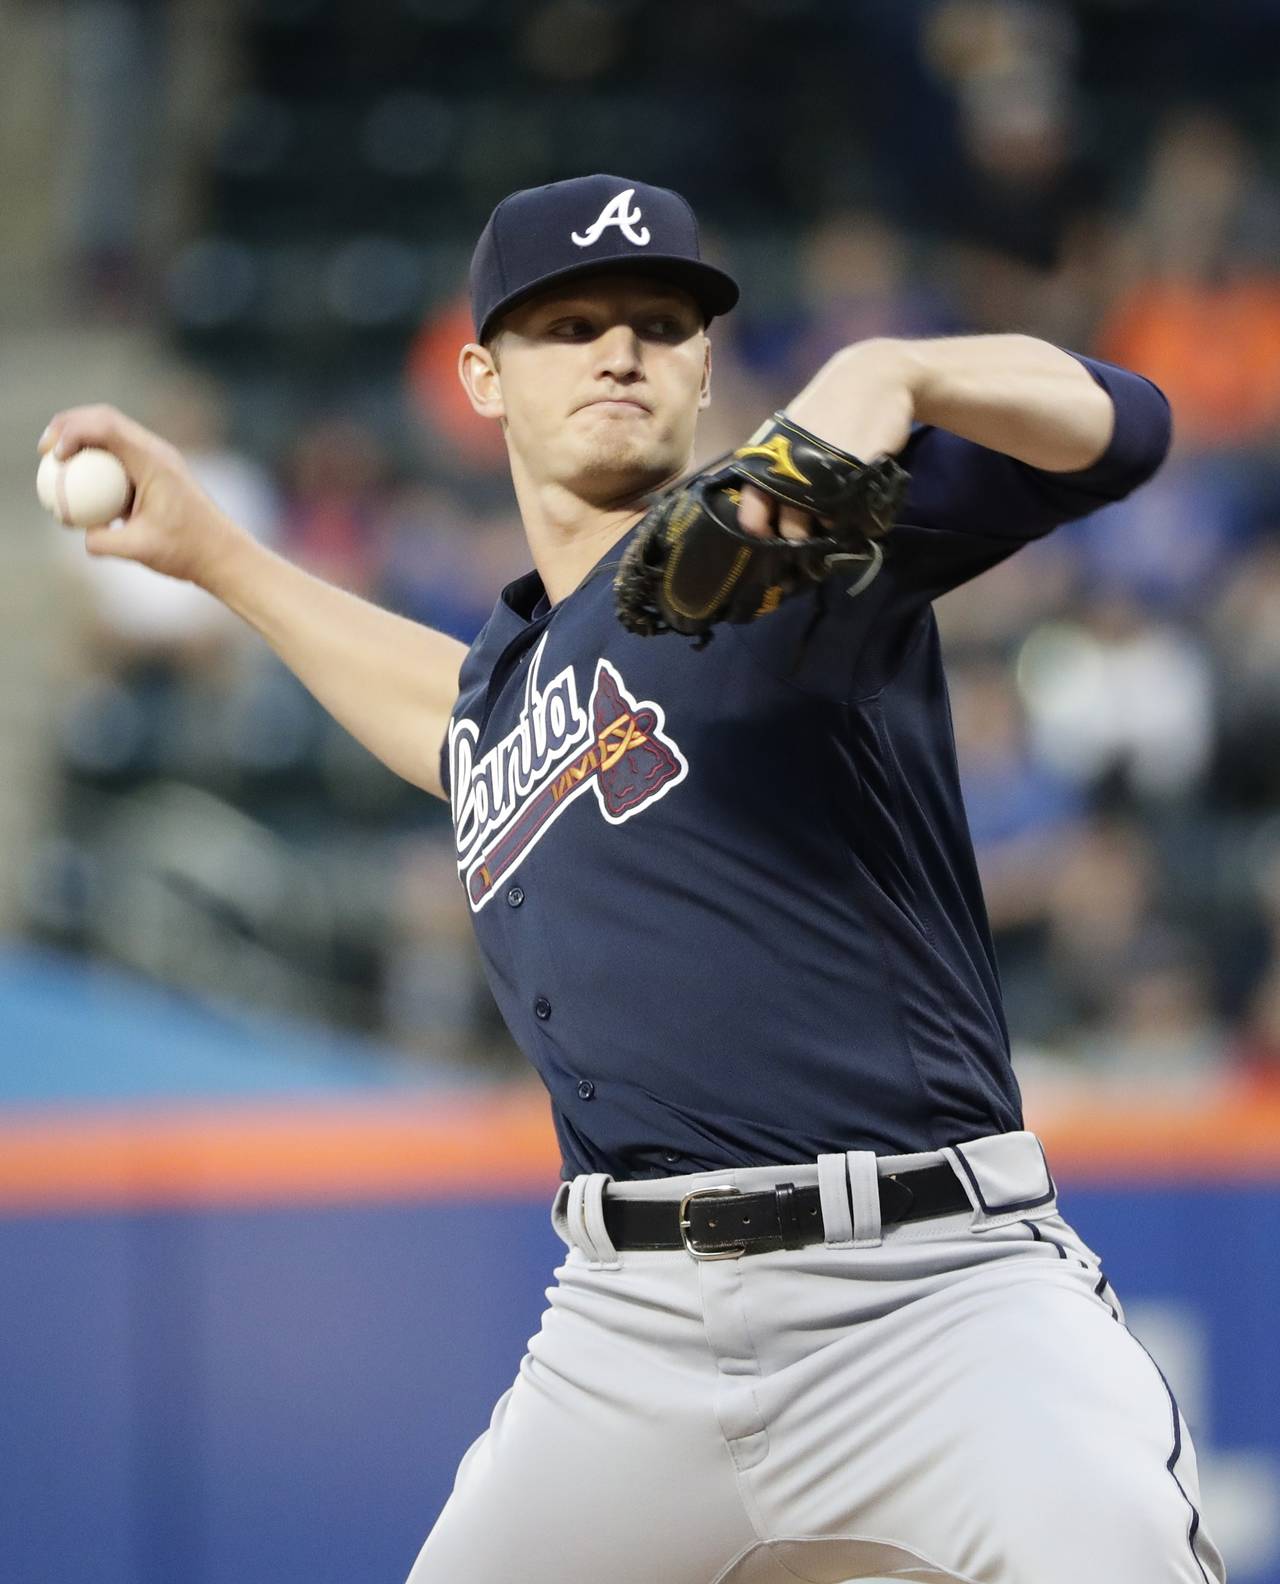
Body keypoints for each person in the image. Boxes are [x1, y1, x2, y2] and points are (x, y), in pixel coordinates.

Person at [40, 174, 1224, 1584]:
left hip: (928, 1291)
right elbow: (459, 731)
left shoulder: (794, 523)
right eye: (572, 323)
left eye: (662, 324)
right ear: (481, 375)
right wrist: (217, 555)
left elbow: (1121, 427)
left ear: (705, 364)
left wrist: (891, 370)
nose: (621, 350)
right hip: (630, 1329)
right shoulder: (516, 685)